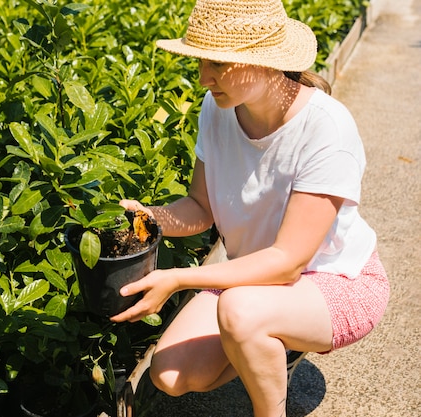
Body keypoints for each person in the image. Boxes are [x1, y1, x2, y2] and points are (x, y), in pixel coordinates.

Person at [110, 0, 390, 416]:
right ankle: (275, 346)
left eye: (218, 64)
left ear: (264, 62)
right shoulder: (218, 109)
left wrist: (179, 278)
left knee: (240, 311)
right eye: (202, 61)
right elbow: (199, 206)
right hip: (255, 280)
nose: (204, 78)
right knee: (169, 375)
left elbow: (286, 263)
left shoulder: (325, 128)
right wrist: (147, 218)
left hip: (335, 279)